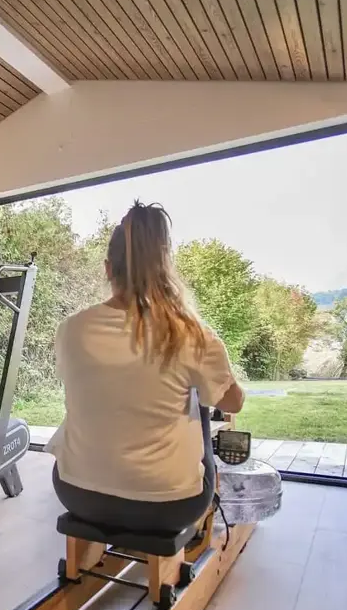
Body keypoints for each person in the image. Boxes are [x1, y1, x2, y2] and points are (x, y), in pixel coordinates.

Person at [46, 202, 245, 533]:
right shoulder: (191, 334)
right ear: (165, 270)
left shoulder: (71, 328)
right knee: (203, 408)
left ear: (108, 269)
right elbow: (234, 402)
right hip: (167, 506)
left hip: (75, 491)